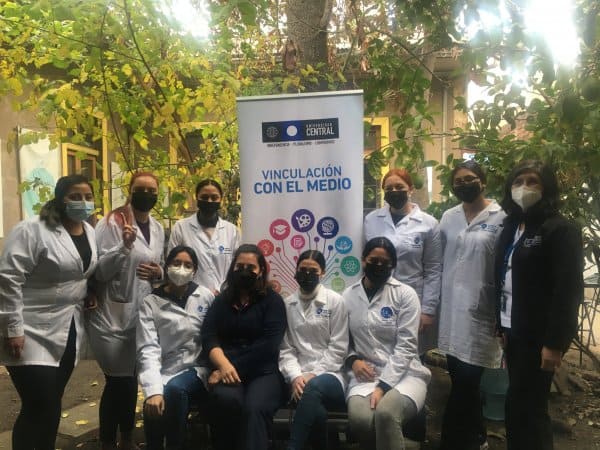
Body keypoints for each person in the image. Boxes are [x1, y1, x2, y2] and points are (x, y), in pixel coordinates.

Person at [0, 175, 104, 450]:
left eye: (88, 197)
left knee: (52, 402)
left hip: (67, 327)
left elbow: (81, 272)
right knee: (39, 403)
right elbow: (9, 279)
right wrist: (12, 328)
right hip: (28, 327)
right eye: (75, 196)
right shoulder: (32, 230)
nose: (83, 202)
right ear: (60, 199)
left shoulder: (89, 231)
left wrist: (89, 292)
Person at [495, 160, 583, 450]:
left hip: (539, 336)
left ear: (547, 188)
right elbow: (502, 276)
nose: (524, 188)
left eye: (533, 181)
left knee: (530, 408)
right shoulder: (511, 226)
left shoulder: (560, 230)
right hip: (512, 329)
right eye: (518, 182)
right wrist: (500, 323)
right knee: (516, 405)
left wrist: (555, 343)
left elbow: (567, 290)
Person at [87, 172, 164, 450]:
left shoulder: (157, 227)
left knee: (130, 379)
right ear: (129, 191)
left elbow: (159, 266)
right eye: (141, 189)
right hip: (111, 315)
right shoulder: (111, 223)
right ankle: (110, 441)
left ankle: (126, 438)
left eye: (152, 190)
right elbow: (100, 272)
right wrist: (125, 246)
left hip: (142, 315)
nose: (147, 195)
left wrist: (158, 272)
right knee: (119, 382)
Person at [437, 160, 506, 450]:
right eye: (458, 181)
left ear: (483, 181)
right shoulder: (449, 217)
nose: (463, 184)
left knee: (466, 382)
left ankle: (450, 440)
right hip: (451, 311)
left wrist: (503, 315)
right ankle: (477, 437)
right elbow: (439, 259)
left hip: (482, 312)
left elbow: (506, 267)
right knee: (461, 381)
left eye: (469, 179)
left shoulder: (501, 217)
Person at [344, 237, 431, 450]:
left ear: (393, 265)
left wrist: (383, 386)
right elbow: (342, 340)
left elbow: (407, 346)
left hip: (406, 374)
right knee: (361, 420)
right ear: (363, 260)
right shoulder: (348, 295)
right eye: (373, 260)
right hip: (365, 375)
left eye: (385, 262)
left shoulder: (405, 295)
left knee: (386, 414)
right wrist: (353, 360)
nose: (379, 266)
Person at [200, 243, 287, 450]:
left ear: (261, 271)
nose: (244, 271)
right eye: (240, 267)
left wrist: (227, 367)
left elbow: (269, 345)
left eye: (251, 267)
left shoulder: (273, 301)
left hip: (263, 372)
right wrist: (222, 365)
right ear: (233, 268)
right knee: (226, 401)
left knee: (255, 408)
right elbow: (208, 336)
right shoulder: (222, 301)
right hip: (226, 370)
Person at [137, 245, 214, 450]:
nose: (181, 269)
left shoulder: (205, 296)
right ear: (167, 266)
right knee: (153, 402)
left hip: (198, 368)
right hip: (167, 369)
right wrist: (153, 390)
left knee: (175, 390)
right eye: (176, 263)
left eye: (188, 265)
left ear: (195, 271)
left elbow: (215, 335)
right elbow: (148, 348)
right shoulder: (151, 302)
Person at [364, 168, 442, 354]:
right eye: (389, 188)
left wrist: (428, 310)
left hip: (413, 298)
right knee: (378, 352)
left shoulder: (428, 224)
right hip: (377, 295)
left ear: (411, 189)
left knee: (410, 353)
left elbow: (433, 269)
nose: (394, 191)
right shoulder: (371, 220)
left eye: (399, 187)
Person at [279, 250, 349, 450]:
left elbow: (339, 347)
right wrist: (295, 376)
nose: (307, 274)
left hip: (331, 374)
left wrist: (312, 375)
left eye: (313, 270)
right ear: (296, 271)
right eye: (303, 269)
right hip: (298, 377)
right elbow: (286, 348)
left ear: (322, 273)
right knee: (317, 413)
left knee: (314, 386)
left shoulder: (335, 301)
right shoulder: (287, 304)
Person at [168, 179, 240, 293]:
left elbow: (237, 266)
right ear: (197, 198)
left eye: (214, 197)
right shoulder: (181, 227)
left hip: (224, 296)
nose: (209, 201)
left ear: (221, 199)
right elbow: (172, 265)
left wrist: (224, 290)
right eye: (204, 197)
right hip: (190, 296)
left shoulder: (231, 231)